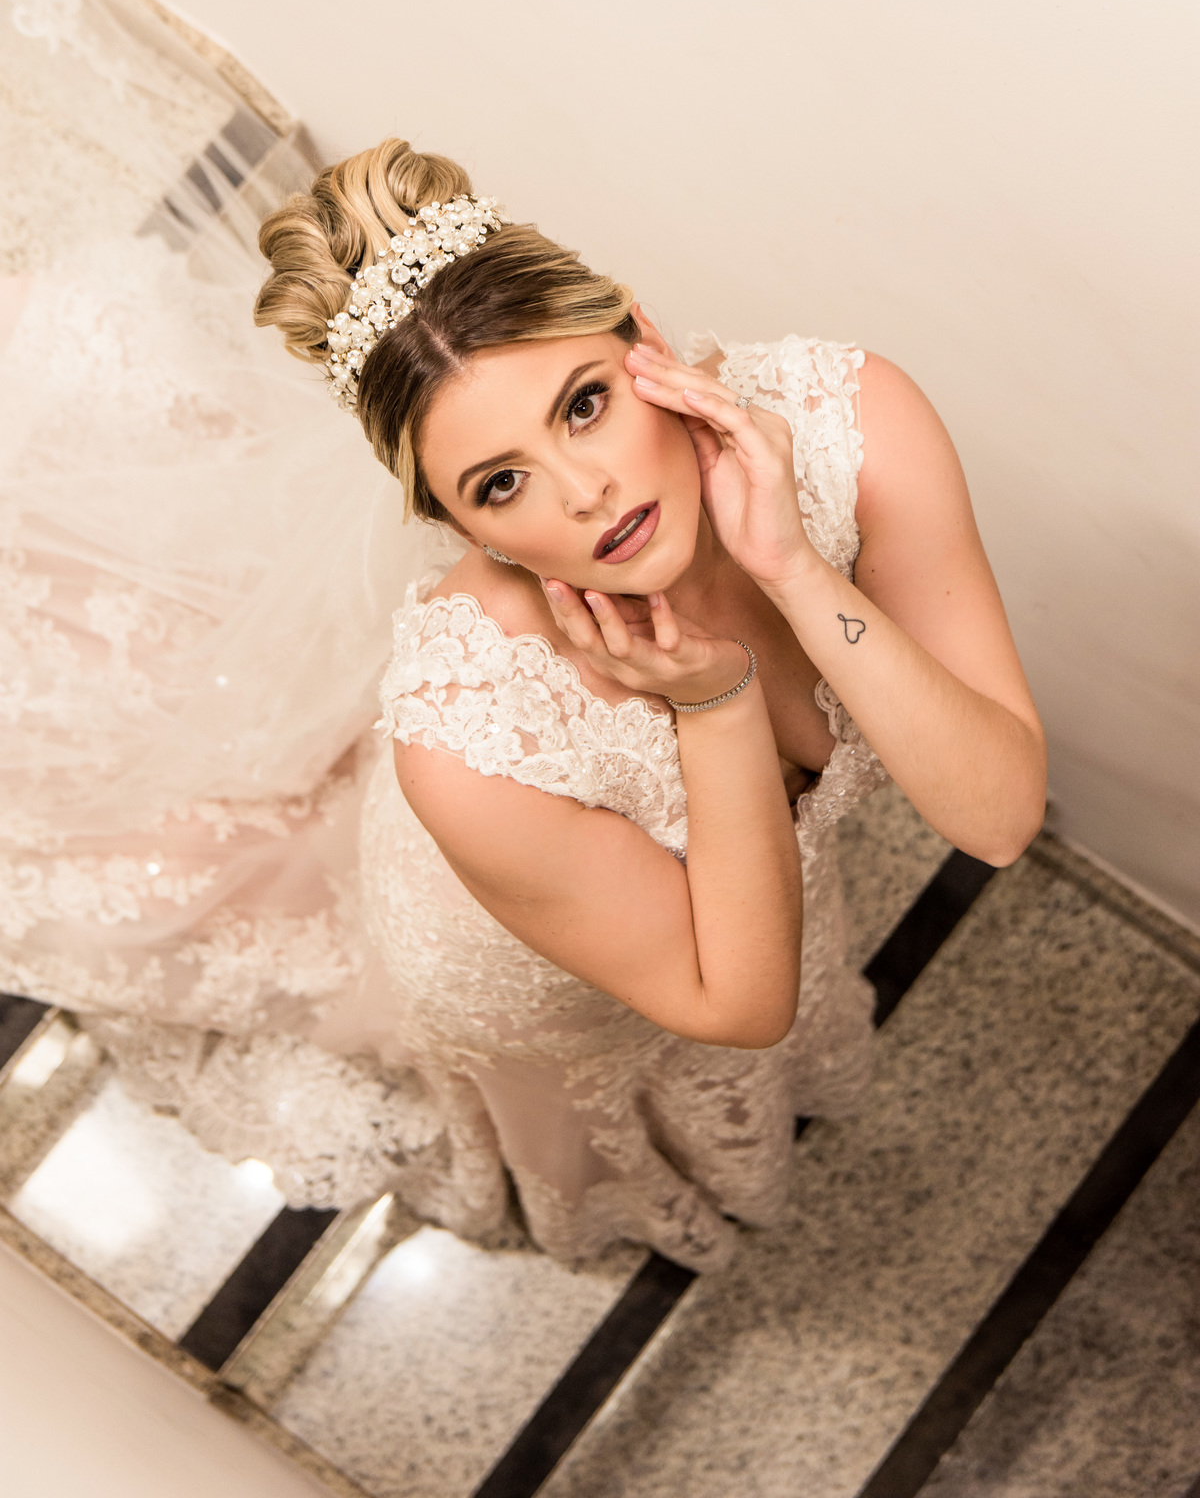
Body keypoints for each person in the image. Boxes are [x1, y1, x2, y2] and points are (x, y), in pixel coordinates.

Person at [250, 138, 1046, 1268]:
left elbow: (999, 817)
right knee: (609, 1076)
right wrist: (717, 708)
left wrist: (797, 572)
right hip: (522, 962)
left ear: (647, 343)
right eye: (502, 483)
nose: (587, 493)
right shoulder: (468, 744)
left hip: (735, 891)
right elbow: (740, 1004)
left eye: (584, 405)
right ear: (460, 528)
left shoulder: (853, 420)